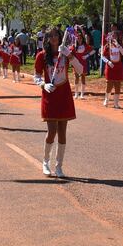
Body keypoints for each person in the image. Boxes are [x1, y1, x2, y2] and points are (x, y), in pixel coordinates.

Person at [34, 28, 84, 178]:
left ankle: (59, 166)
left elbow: (80, 70)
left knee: (62, 132)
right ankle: (45, 162)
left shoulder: (66, 53)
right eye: (51, 36)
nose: (55, 38)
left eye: (57, 35)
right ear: (47, 39)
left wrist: (70, 55)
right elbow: (35, 76)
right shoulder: (41, 56)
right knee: (52, 131)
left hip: (64, 95)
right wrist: (43, 84)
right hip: (50, 95)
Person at [101, 30, 123, 108]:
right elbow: (102, 56)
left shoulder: (120, 45)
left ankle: (116, 103)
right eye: (113, 36)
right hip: (110, 67)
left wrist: (118, 45)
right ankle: (106, 100)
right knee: (109, 84)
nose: (114, 37)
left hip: (118, 67)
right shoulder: (107, 46)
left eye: (115, 36)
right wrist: (108, 62)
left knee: (118, 85)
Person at [71, 31, 92, 99]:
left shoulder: (85, 45)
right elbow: (69, 53)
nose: (79, 39)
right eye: (78, 38)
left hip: (83, 63)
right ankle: (76, 93)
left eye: (80, 38)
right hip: (76, 63)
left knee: (83, 77)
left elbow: (93, 50)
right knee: (76, 78)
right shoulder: (74, 46)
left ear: (82, 39)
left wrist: (87, 55)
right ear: (76, 39)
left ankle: (82, 94)